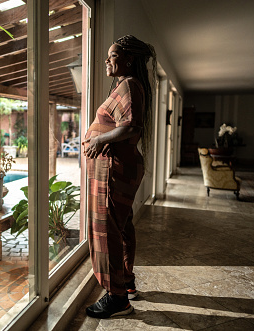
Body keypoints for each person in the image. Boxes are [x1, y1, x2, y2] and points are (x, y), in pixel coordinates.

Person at [83, 35, 156, 319]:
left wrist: (99, 142)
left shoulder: (129, 85)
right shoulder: (130, 85)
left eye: (112, 55)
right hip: (117, 166)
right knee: (122, 226)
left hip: (114, 167)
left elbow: (131, 127)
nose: (107, 60)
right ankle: (125, 282)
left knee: (106, 229)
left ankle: (117, 299)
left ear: (129, 59)